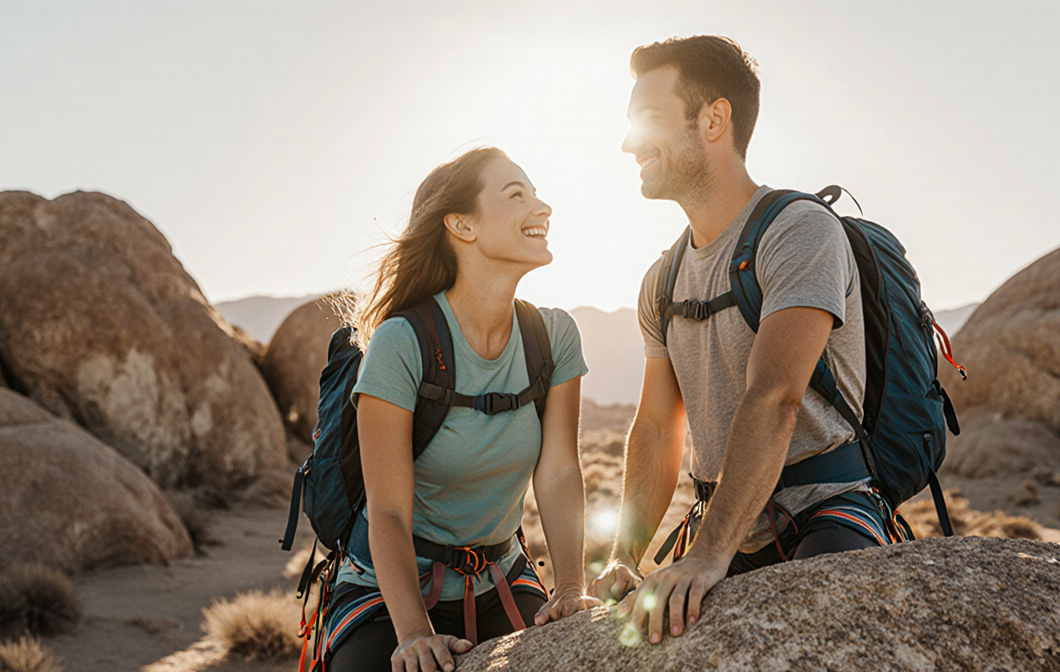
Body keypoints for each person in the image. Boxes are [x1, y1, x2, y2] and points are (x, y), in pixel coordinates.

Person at [588, 36, 908, 644]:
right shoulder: (662, 279)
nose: (630, 142)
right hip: (724, 525)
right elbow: (656, 427)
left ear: (714, 119)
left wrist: (709, 556)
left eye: (648, 118)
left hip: (824, 508)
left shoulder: (799, 231)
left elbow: (774, 395)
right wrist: (625, 556)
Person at [327, 147, 600, 672]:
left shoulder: (554, 337)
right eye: (516, 194)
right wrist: (413, 635)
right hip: (388, 589)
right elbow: (388, 511)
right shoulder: (401, 342)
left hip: (501, 575)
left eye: (536, 193)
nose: (542, 207)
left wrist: (569, 588)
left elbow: (560, 470)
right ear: (462, 224)